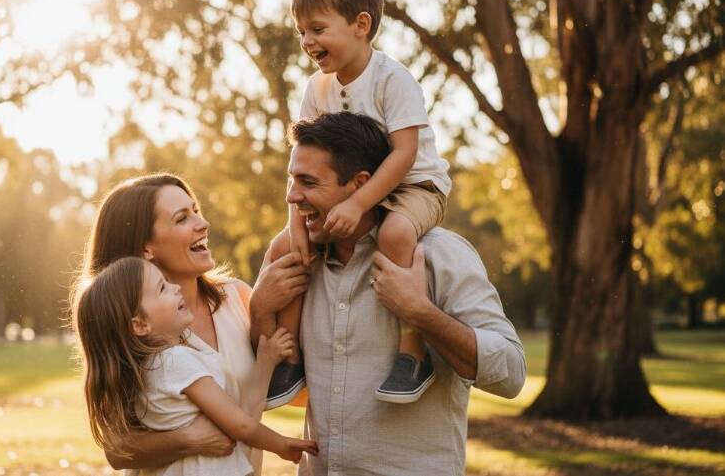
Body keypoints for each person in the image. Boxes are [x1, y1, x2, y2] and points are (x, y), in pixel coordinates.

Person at [251, 112, 526, 476]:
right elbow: (256, 378)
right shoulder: (298, 264)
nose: (292, 195)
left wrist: (420, 315)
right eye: (291, 180)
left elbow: (511, 374)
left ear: (359, 185)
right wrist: (259, 309)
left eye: (308, 182)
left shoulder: (438, 255)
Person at [265, 0, 452, 406]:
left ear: (361, 25)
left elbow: (404, 155)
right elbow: (303, 160)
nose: (307, 41)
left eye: (316, 28)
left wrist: (359, 203)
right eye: (300, 32)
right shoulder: (318, 88)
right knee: (286, 249)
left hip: (415, 186)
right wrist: (296, 221)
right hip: (352, 192)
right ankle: (290, 358)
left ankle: (413, 351)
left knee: (395, 232)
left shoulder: (393, 80)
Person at [75, 174, 270, 473]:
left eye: (195, 210)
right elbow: (117, 450)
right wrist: (186, 439)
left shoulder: (238, 297)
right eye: (182, 218)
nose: (202, 224)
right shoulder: (133, 331)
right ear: (145, 249)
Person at [71, 256, 318, 476]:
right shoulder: (178, 361)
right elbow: (240, 424)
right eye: (162, 288)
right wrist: (281, 445)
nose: (175, 288)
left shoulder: (143, 370)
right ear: (140, 325)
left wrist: (265, 362)